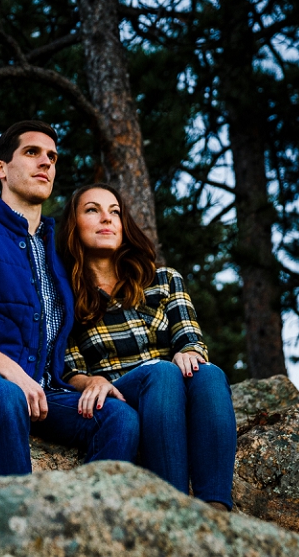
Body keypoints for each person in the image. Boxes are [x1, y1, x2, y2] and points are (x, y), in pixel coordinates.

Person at [0, 120, 140, 474]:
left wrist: (89, 381)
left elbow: (61, 343)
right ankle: (17, 524)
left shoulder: (57, 251)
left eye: (52, 157)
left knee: (118, 417)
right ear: (1, 169)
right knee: (6, 396)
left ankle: (85, 524)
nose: (46, 163)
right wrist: (14, 375)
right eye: (32, 152)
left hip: (43, 391)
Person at [57, 184, 235, 509]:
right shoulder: (64, 296)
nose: (106, 219)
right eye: (92, 210)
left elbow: (190, 339)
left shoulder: (163, 279)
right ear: (74, 225)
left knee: (209, 374)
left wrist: (190, 352)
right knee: (162, 372)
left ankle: (216, 510)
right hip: (123, 393)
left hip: (172, 395)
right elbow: (70, 369)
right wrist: (90, 382)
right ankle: (172, 508)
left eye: (115, 212)